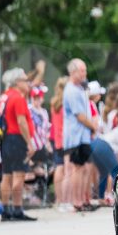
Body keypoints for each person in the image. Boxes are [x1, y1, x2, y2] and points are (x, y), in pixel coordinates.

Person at [0, 68, 36, 221]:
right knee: (18, 176)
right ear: (17, 82)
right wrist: (29, 143)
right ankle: (17, 209)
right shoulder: (18, 98)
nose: (27, 83)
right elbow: (21, 122)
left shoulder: (4, 97)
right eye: (25, 80)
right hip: (17, 139)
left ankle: (5, 210)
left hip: (5, 139)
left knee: (6, 175)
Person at [62, 59, 96, 212]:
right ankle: (77, 201)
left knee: (85, 168)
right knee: (78, 168)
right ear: (73, 72)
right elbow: (80, 116)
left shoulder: (79, 89)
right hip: (76, 136)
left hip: (83, 135)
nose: (85, 74)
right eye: (82, 71)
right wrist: (93, 126)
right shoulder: (71, 90)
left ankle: (83, 199)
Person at [49, 77, 68, 208]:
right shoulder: (65, 103)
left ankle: (58, 198)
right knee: (65, 169)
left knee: (58, 167)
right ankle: (65, 199)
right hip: (64, 138)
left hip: (54, 138)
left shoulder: (54, 102)